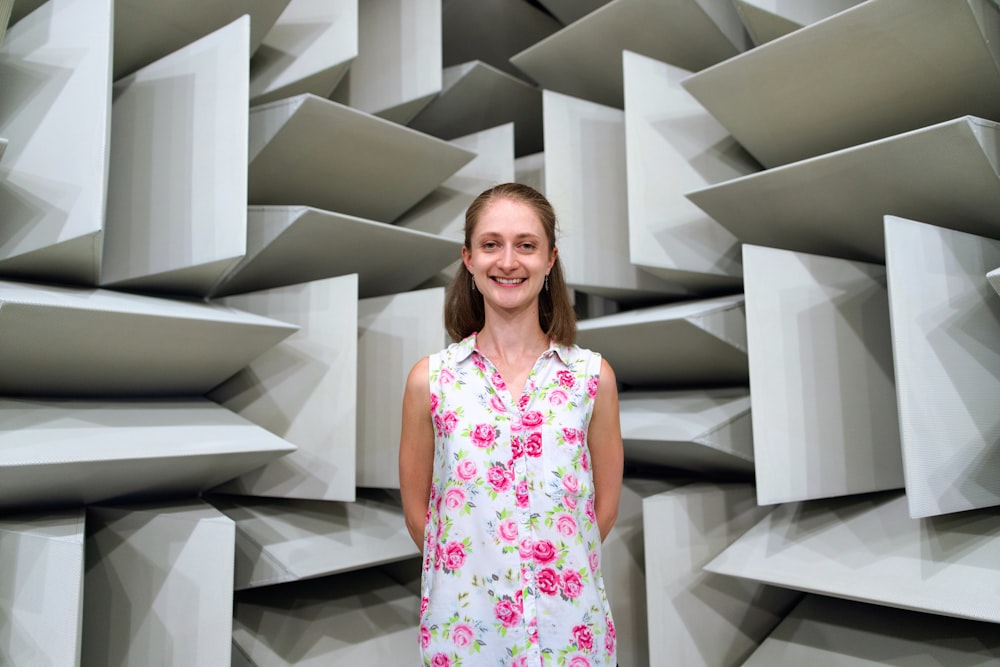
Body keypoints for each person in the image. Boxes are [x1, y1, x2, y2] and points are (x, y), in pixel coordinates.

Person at [398, 183, 624, 666]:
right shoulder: (431, 380)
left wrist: (544, 562)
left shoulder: (591, 378)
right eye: (490, 244)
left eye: (526, 245)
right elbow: (422, 518)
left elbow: (600, 512)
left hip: (570, 633)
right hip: (467, 633)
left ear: (549, 260)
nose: (508, 261)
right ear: (468, 259)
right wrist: (483, 567)